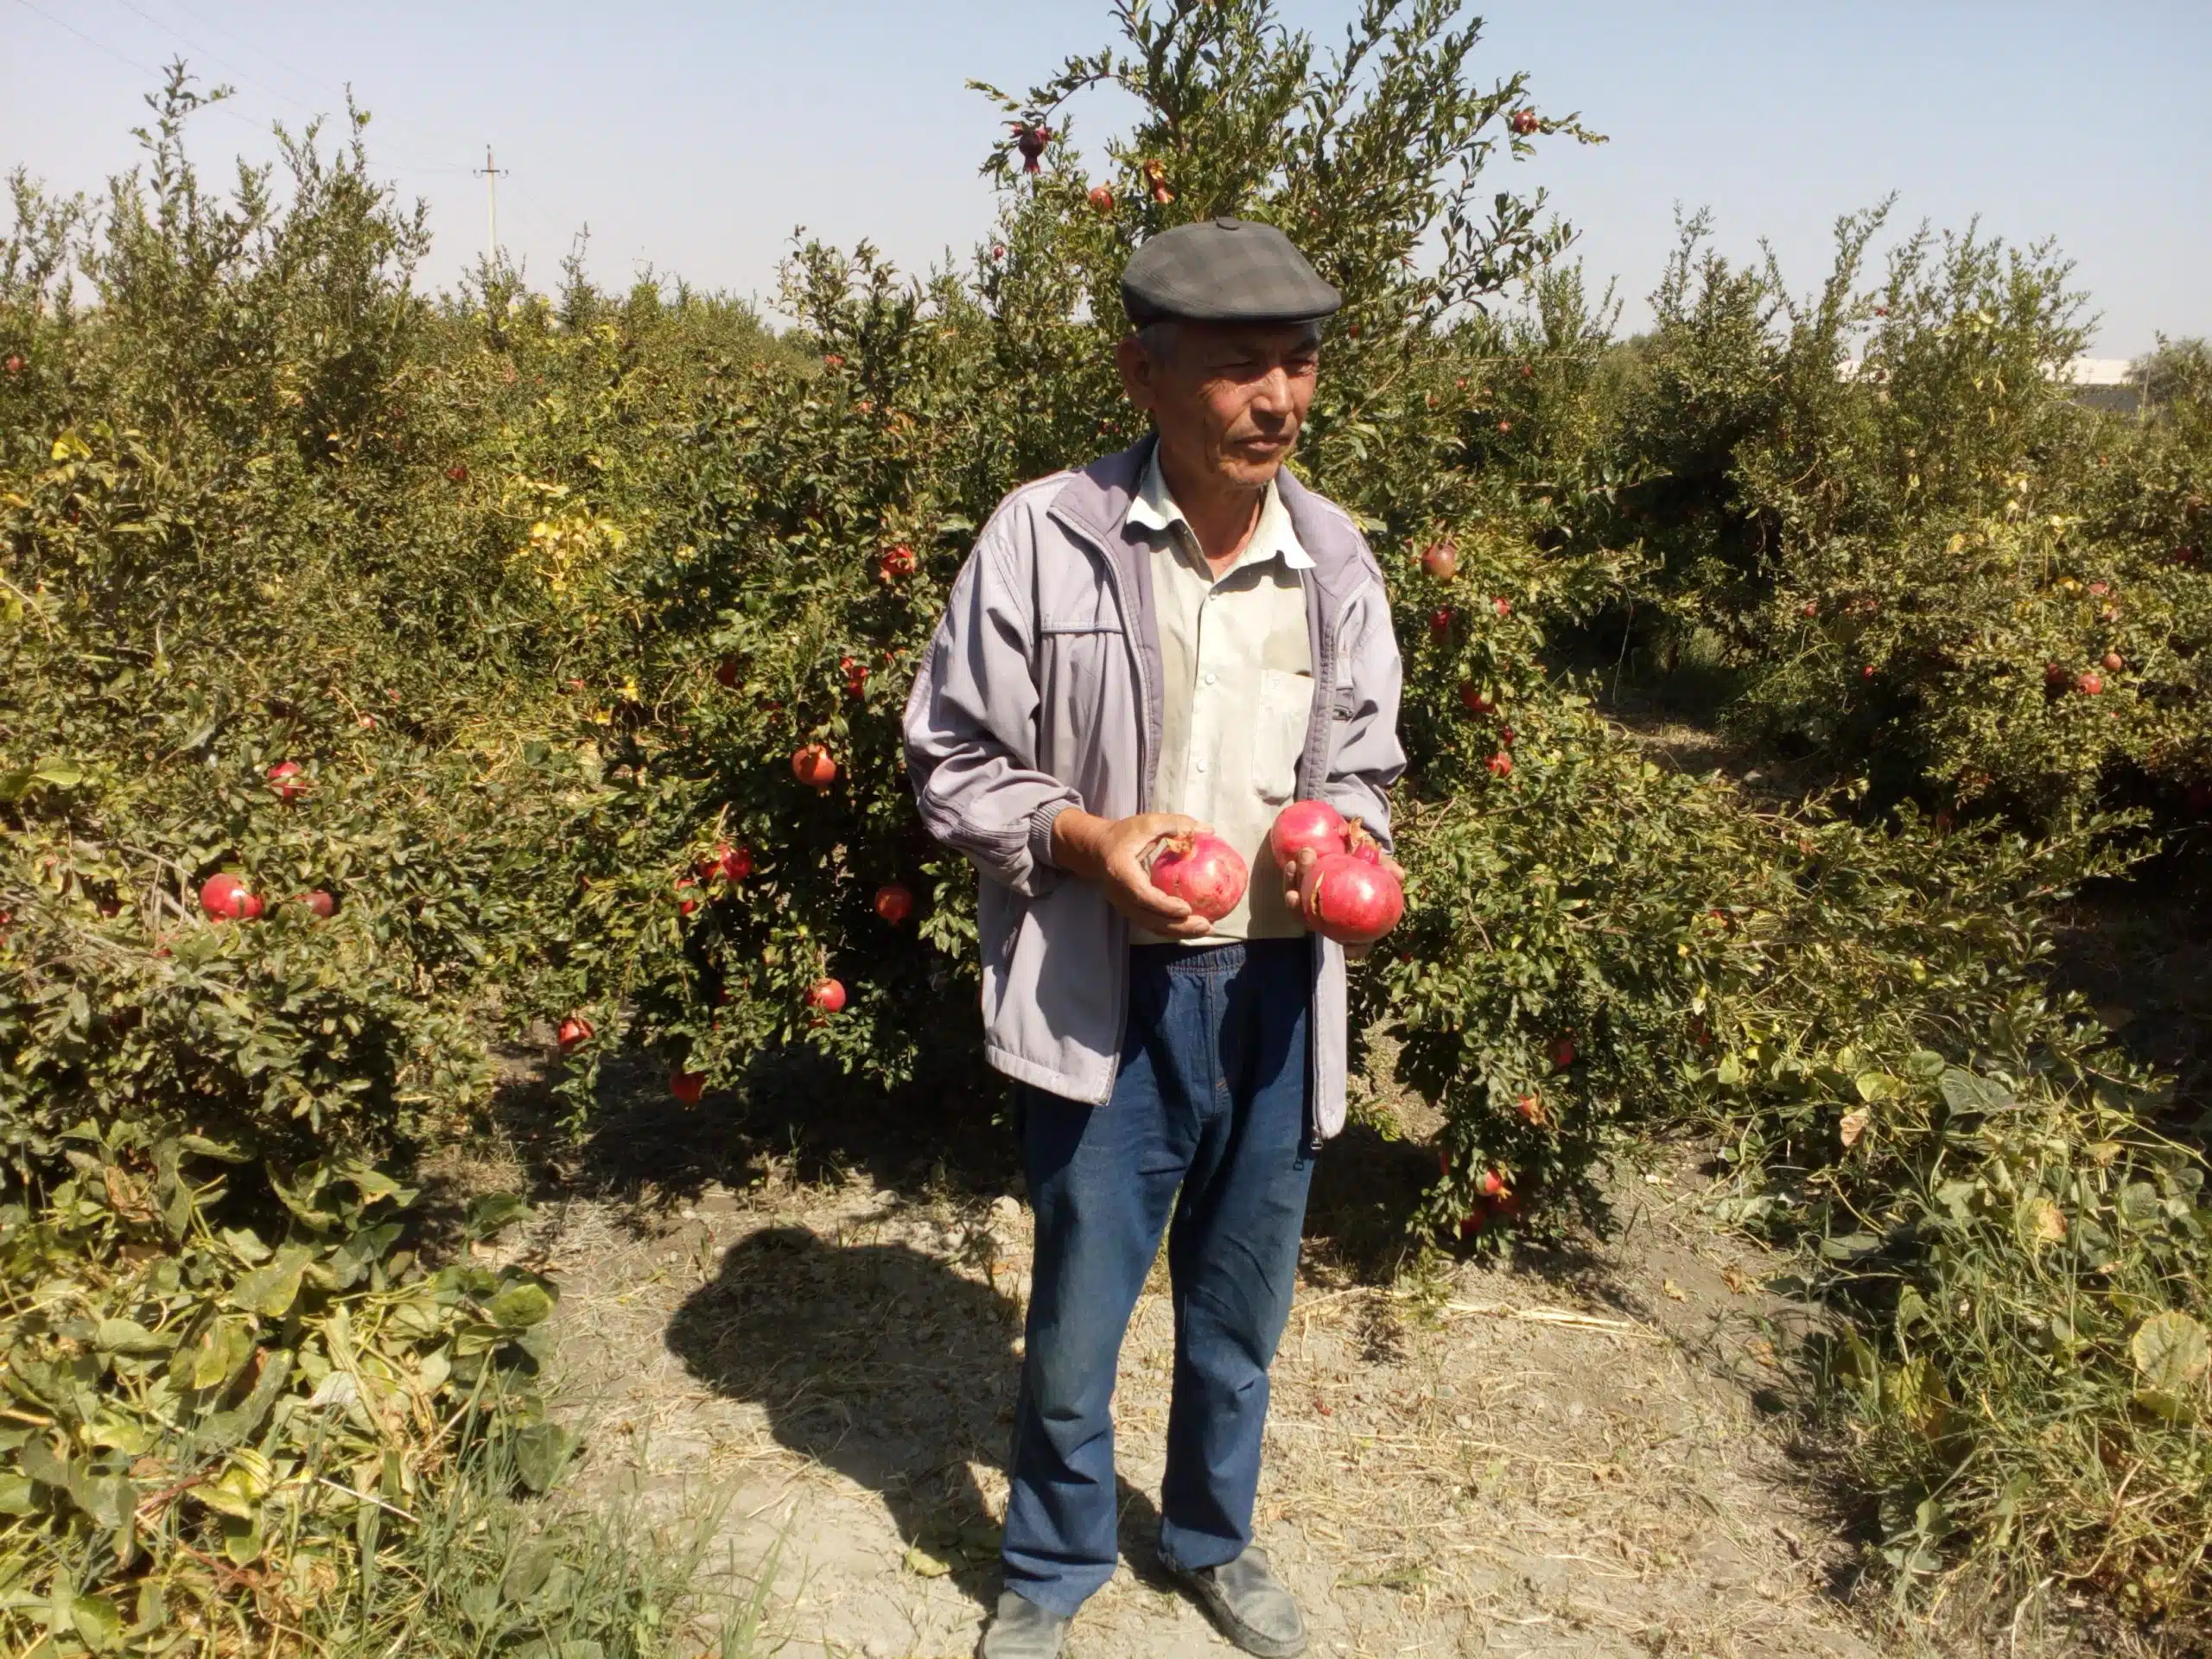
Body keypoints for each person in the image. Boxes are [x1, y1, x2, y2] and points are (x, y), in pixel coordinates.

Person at [903, 216, 1406, 1659]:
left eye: (1299, 365)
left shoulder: (1334, 555)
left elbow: (1364, 762)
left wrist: (1351, 843)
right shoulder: (1046, 538)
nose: (1278, 400)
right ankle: (1051, 1563)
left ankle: (1209, 1538)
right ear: (1143, 372)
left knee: (1239, 1310)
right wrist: (1088, 842)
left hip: (1278, 991)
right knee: (1075, 1317)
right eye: (1240, 367)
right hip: (1108, 989)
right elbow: (949, 759)